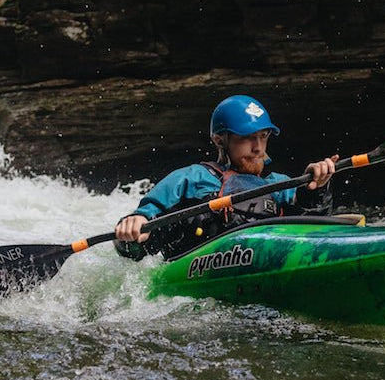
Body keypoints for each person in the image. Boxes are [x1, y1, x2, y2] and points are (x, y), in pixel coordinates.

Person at [115, 95, 338, 261]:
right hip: (196, 275)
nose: (258, 148)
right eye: (247, 138)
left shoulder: (281, 185)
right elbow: (136, 240)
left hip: (262, 261)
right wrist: (133, 230)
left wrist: (316, 188)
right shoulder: (190, 179)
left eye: (263, 137)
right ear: (220, 141)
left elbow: (313, 229)